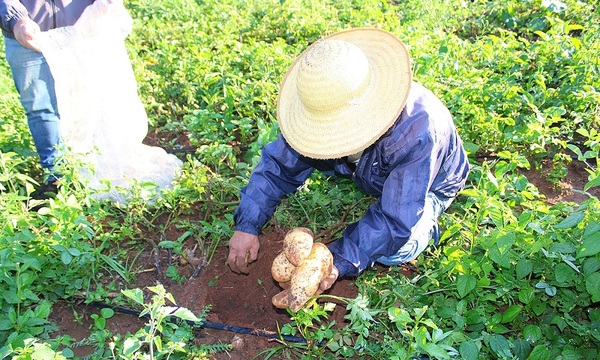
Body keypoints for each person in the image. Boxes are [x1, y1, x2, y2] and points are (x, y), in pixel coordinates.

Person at [227, 28, 470, 293]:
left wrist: (334, 262)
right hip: (365, 169)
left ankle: (429, 220)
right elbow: (278, 166)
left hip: (432, 182)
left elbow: (394, 220)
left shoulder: (415, 134)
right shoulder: (324, 101)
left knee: (397, 248)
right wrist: (247, 225)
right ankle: (362, 176)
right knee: (307, 154)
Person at [0, 0, 94, 199]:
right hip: (27, 34)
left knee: (88, 98)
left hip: (81, 29)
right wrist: (16, 18)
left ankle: (94, 171)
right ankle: (55, 177)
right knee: (39, 107)